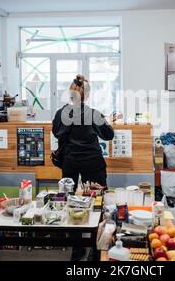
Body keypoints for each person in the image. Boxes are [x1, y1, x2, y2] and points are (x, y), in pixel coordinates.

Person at [52, 74, 114, 260]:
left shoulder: (60, 114)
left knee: (70, 204)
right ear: (86, 95)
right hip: (92, 162)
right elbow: (108, 134)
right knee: (97, 204)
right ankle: (95, 251)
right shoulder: (93, 114)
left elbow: (56, 132)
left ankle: (76, 251)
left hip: (69, 162)